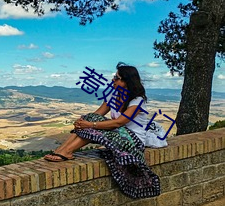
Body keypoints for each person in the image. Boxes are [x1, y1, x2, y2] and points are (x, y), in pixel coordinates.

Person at [44, 62, 166, 198]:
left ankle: (66, 151)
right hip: (117, 133)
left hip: (133, 140)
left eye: (116, 78)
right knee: (89, 118)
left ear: (127, 81)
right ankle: (63, 150)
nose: (113, 80)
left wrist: (90, 124)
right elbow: (97, 114)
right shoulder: (113, 95)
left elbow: (119, 122)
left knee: (92, 124)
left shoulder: (137, 101)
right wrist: (82, 122)